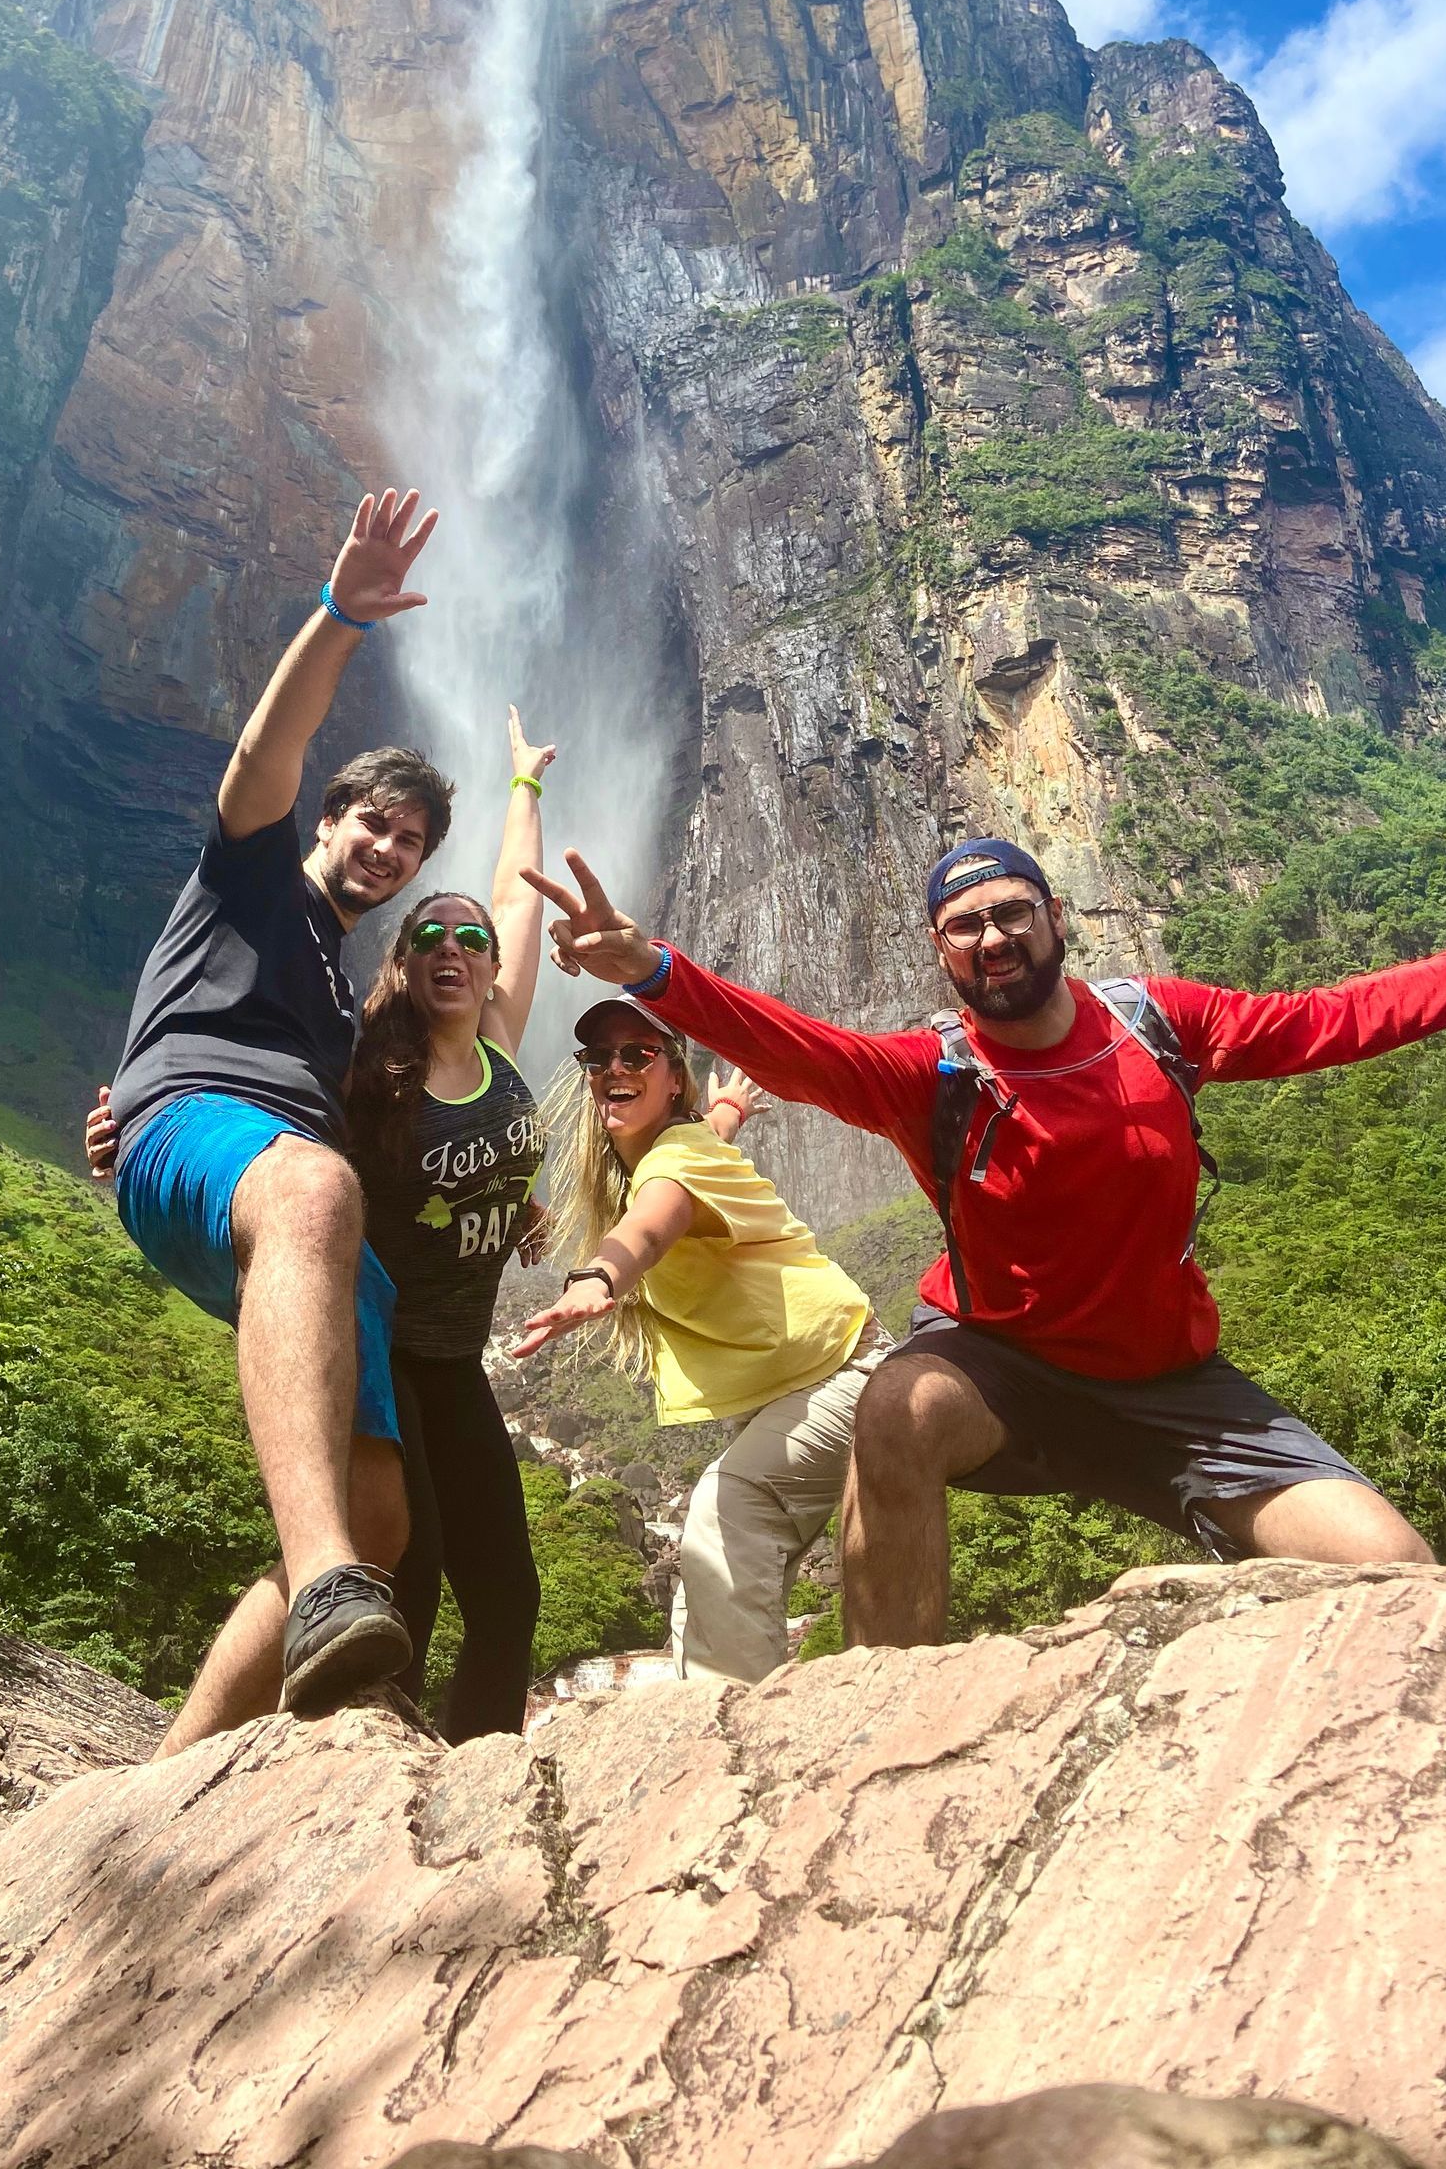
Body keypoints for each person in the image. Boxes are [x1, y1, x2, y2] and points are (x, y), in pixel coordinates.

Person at [524, 828, 1446, 1647]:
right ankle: (878, 1715)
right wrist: (651, 971)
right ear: (939, 950)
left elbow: (1344, 1016)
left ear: (1056, 917)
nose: (992, 937)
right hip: (1002, 1372)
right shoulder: (935, 1076)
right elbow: (799, 1047)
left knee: (1397, 1567)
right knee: (897, 1406)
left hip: (1176, 1390)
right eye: (966, 924)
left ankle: (1186, 1606)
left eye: (1011, 912)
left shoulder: (1162, 1024)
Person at [91, 710, 558, 1749]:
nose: (454, 946)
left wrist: (524, 789)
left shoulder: (499, 1041)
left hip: (458, 1353)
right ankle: (372, 1767)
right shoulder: (362, 1063)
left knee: (482, 1581)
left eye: (467, 936)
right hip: (386, 1329)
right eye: (429, 933)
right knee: (404, 1569)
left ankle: (469, 1768)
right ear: (401, 960)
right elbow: (270, 1137)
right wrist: (133, 1111)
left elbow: (518, 909)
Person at [104, 485, 443, 1722]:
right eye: (373, 821)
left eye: (411, 843)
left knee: (383, 1510)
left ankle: (182, 1764)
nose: (388, 848)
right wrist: (340, 614)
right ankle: (321, 1583)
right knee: (311, 1180)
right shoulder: (250, 872)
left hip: (293, 1185)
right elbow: (262, 756)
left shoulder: (345, 997)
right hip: (219, 1137)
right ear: (332, 816)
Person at [516, 997, 883, 1684]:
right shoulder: (685, 1141)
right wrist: (733, 1111)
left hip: (841, 1374)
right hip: (789, 1390)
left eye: (638, 1054)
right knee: (706, 1577)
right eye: (599, 1058)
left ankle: (745, 1736)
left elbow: (652, 1223)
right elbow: (706, 1137)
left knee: (726, 1512)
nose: (614, 1067)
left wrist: (601, 1273)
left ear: (672, 1075)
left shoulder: (670, 1163)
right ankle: (696, 1729)